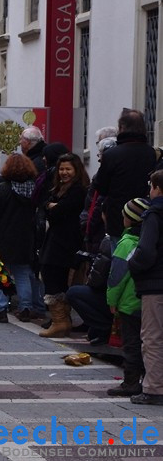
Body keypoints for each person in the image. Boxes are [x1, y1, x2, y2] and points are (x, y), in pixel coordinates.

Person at [0, 154, 43, 323]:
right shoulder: (33, 189)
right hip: (25, 238)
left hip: (2, 237)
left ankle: (1, 309)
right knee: (23, 273)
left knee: (0, 274)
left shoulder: (3, 188)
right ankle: (26, 307)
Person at [39, 153, 90, 338]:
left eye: (68, 169)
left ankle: (61, 322)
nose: (64, 173)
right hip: (55, 239)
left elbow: (61, 210)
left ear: (76, 170)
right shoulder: (58, 188)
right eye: (61, 169)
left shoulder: (78, 190)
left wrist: (54, 207)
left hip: (66, 242)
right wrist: (51, 207)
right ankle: (60, 320)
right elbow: (46, 206)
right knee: (50, 274)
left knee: (56, 278)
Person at [106, 198, 149, 397]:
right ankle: (148, 378)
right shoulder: (149, 239)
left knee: (131, 343)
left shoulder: (127, 243)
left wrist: (112, 301)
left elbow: (117, 277)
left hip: (129, 302)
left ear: (129, 219)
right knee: (149, 342)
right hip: (146, 301)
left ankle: (131, 382)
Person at [94, 109, 157, 241]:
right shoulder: (151, 153)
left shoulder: (112, 155)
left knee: (119, 256)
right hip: (144, 216)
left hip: (118, 218)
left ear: (122, 128)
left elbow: (101, 187)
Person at [129, 170, 163, 405]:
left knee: (152, 337)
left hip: (156, 283)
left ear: (157, 189)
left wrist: (133, 263)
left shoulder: (154, 214)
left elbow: (146, 251)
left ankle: (153, 388)